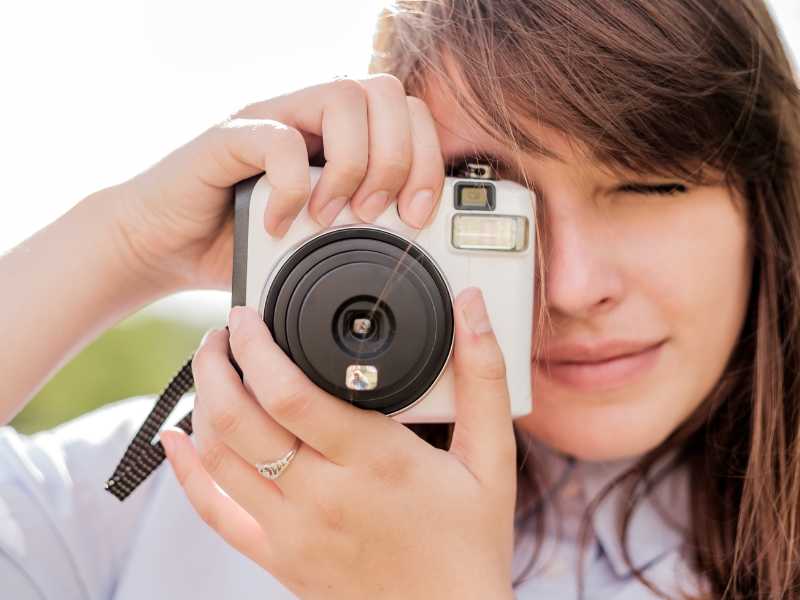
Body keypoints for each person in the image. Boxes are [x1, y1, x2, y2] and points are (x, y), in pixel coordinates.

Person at [2, 0, 799, 598]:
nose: (573, 287)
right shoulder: (189, 484)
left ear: (762, 200)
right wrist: (126, 242)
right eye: (486, 205)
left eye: (650, 185)